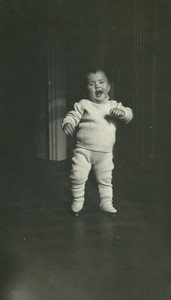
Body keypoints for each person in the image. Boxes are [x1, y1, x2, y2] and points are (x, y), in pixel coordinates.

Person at [62, 68, 133, 215]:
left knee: (106, 179)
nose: (97, 86)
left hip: (105, 154)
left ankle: (106, 203)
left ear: (108, 87)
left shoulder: (113, 105)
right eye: (91, 84)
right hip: (83, 150)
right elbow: (72, 115)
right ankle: (77, 201)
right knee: (77, 176)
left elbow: (129, 114)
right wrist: (68, 123)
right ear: (87, 89)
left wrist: (123, 113)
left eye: (101, 82)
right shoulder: (84, 104)